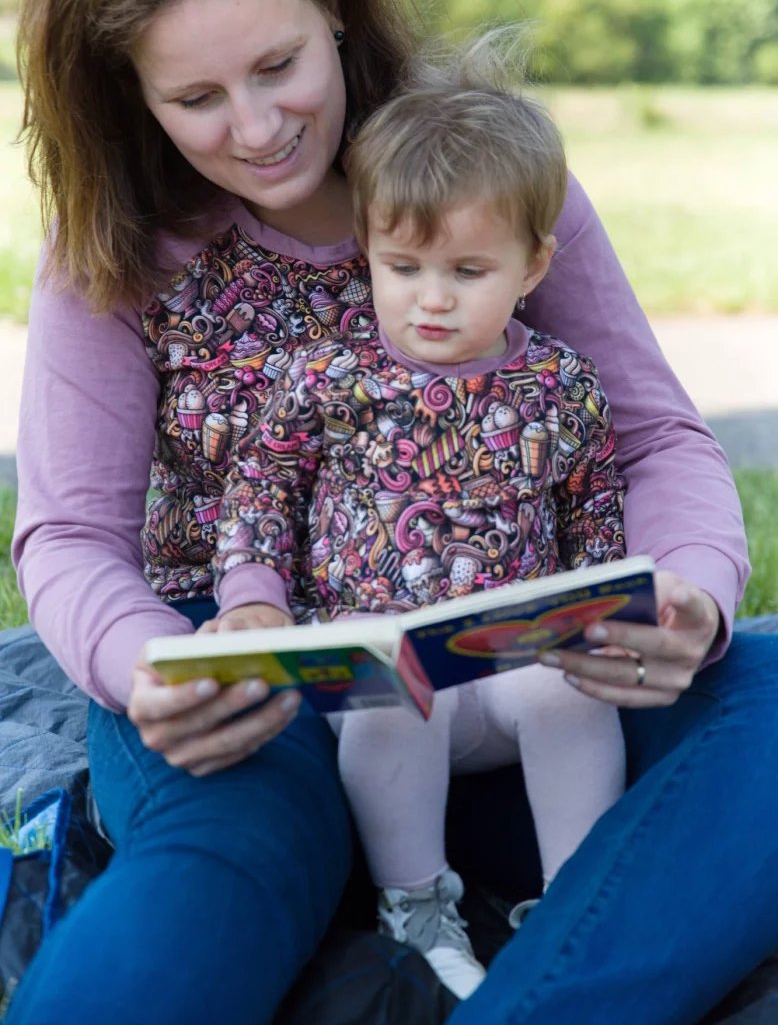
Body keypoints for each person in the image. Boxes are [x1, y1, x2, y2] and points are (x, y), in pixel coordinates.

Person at [8, 0, 777, 1022]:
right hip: (258, 693)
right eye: (197, 97)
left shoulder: (481, 174)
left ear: (331, 1)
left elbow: (655, 440)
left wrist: (693, 599)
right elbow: (69, 536)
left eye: (278, 66)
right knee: (210, 875)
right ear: (131, 93)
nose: (257, 127)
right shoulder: (117, 242)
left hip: (515, 672)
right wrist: (146, 667)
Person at [210, 54, 628, 999]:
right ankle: (418, 907)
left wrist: (598, 618)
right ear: (366, 249)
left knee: (571, 693)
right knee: (391, 688)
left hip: (509, 664)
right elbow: (260, 493)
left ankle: (576, 904)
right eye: (403, 268)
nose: (432, 298)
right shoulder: (331, 376)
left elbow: (594, 513)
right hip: (380, 671)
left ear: (534, 266)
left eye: (468, 272)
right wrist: (250, 599)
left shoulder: (561, 386)